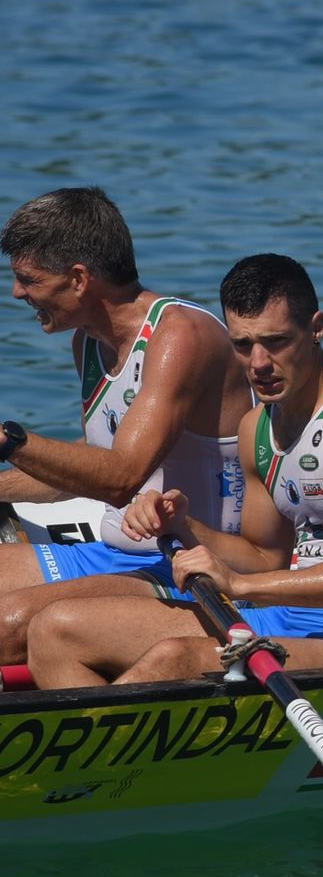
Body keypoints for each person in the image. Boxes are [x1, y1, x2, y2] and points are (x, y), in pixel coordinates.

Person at [25, 255, 323, 687]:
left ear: (316, 328)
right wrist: (186, 526)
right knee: (55, 631)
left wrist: (239, 586)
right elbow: (265, 557)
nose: (258, 363)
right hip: (285, 615)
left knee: (176, 659)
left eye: (276, 342)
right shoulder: (256, 427)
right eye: (243, 345)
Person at [0, 188, 249, 664]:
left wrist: (10, 441)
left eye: (28, 279)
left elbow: (119, 477)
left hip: (186, 563)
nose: (17, 293)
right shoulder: (87, 344)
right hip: (112, 551)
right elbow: (87, 467)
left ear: (78, 279)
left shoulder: (180, 335)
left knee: (8, 625)